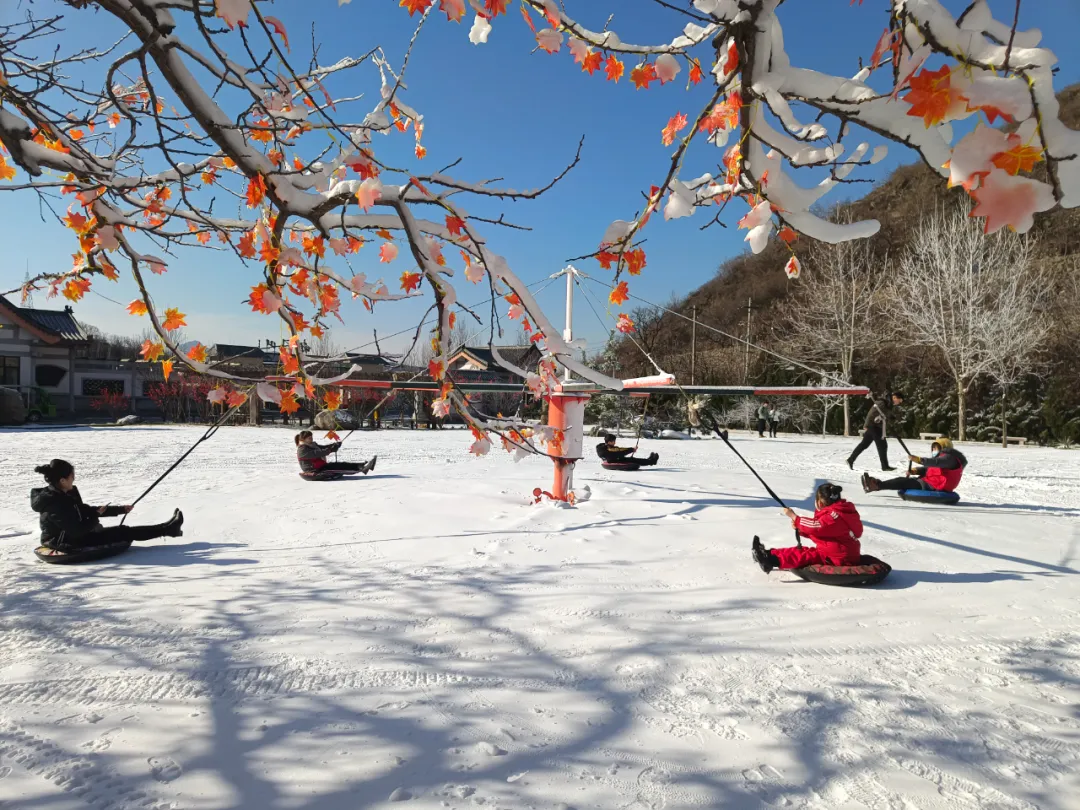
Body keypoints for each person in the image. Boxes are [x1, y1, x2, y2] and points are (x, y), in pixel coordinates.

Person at [30, 459, 183, 550]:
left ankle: (168, 528)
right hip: (65, 542)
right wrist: (96, 517)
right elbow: (77, 531)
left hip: (74, 534)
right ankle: (169, 529)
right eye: (72, 477)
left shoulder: (64, 493)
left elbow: (84, 511)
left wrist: (120, 509)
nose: (74, 479)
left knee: (122, 531)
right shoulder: (55, 503)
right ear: (62, 481)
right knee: (124, 532)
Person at [752, 483, 863, 573]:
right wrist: (801, 530)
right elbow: (823, 532)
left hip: (839, 558)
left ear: (820, 502)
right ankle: (768, 554)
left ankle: (771, 560)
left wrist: (795, 518)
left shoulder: (834, 517)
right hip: (838, 552)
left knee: (802, 555)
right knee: (802, 550)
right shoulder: (842, 512)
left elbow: (816, 526)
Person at [862, 437, 967, 493]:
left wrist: (919, 459)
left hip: (933, 487)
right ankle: (876, 484)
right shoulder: (943, 458)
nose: (934, 450)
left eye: (936, 448)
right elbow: (928, 469)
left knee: (902, 481)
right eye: (933, 448)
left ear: (944, 447)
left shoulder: (949, 458)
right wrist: (915, 470)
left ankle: (876, 486)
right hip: (928, 483)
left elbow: (935, 463)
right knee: (903, 480)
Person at [846, 391, 904, 471]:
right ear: (894, 397)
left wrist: (890, 417)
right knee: (882, 446)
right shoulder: (882, 402)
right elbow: (871, 413)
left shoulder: (888, 404)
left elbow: (884, 414)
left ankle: (850, 460)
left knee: (864, 445)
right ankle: (885, 466)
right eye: (899, 401)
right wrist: (866, 425)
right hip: (874, 426)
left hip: (875, 427)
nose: (899, 403)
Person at [295, 430, 376, 475]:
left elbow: (323, 448)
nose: (311, 439)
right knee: (339, 467)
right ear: (303, 439)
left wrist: (334, 445)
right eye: (309, 438)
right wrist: (330, 450)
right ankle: (361, 469)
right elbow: (317, 453)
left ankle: (362, 465)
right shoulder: (302, 449)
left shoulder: (312, 444)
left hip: (321, 466)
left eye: (311, 437)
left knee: (342, 464)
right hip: (314, 470)